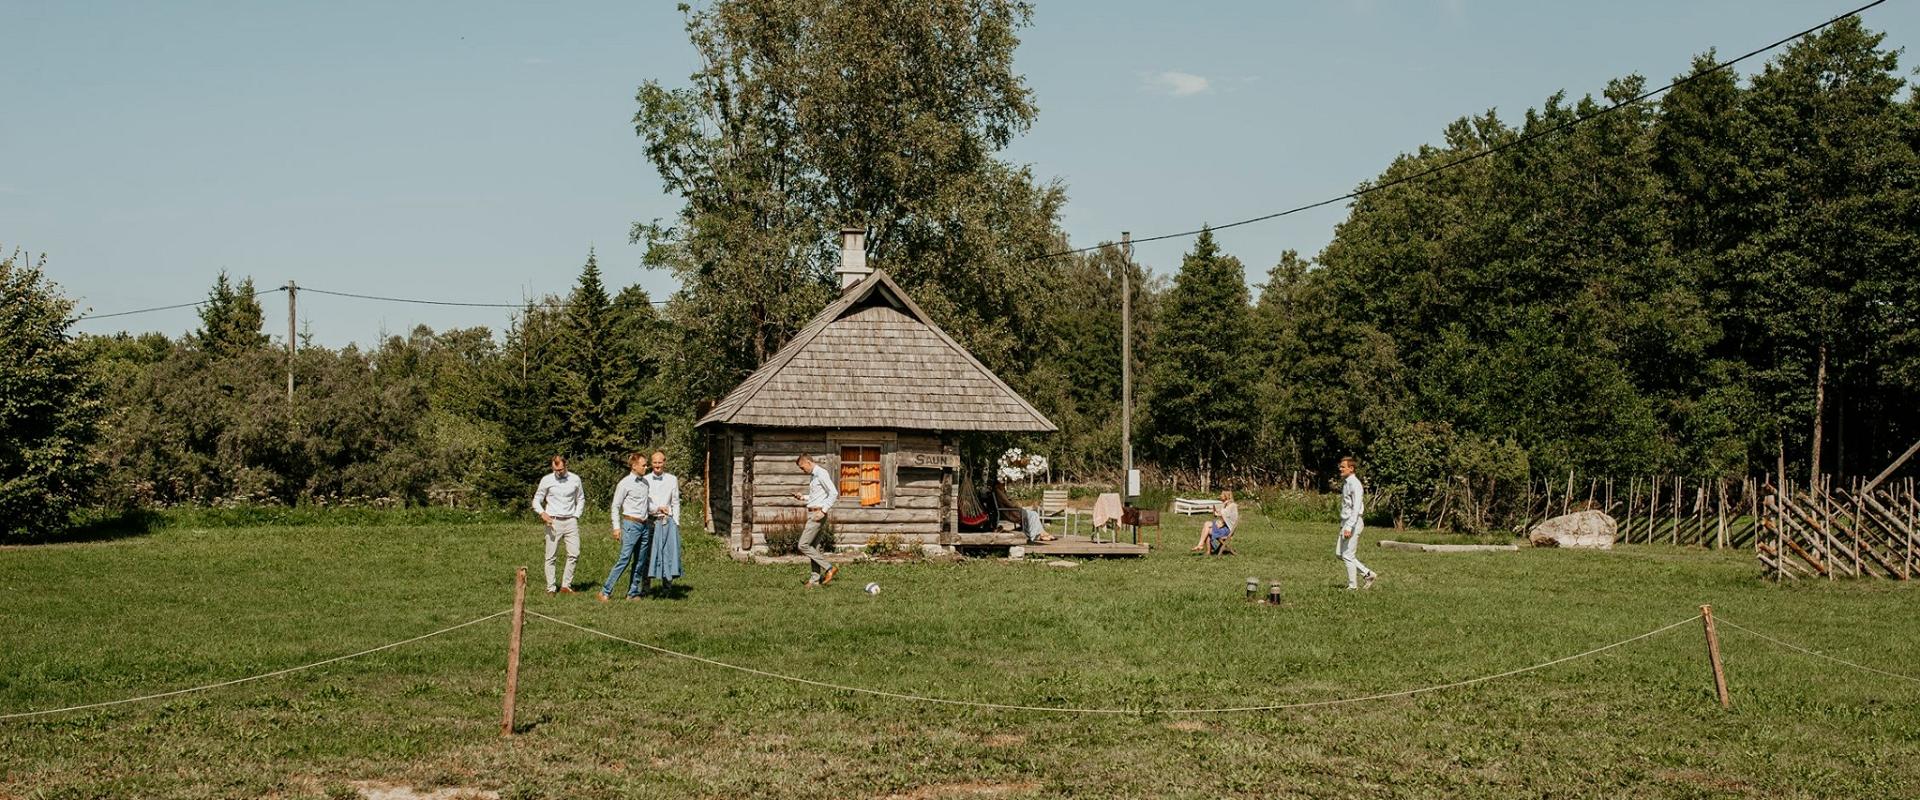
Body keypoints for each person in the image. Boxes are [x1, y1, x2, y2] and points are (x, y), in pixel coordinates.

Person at [602, 452, 654, 602]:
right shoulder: (624, 484)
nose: (646, 467)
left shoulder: (645, 483)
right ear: (634, 466)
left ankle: (632, 592)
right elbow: (615, 506)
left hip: (644, 525)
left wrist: (658, 509)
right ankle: (606, 590)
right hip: (630, 525)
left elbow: (646, 505)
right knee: (624, 558)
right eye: (643, 465)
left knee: (640, 560)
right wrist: (616, 528)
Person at [531, 455, 584, 596]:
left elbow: (580, 498)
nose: (558, 472)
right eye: (555, 469)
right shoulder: (547, 480)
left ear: (566, 466)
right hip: (553, 521)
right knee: (551, 556)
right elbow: (536, 500)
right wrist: (543, 513)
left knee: (574, 553)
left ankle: (566, 586)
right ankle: (551, 588)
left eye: (560, 469)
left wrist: (576, 515)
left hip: (570, 520)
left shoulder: (575, 479)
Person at [790, 454, 839, 587]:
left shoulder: (821, 473)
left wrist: (823, 511)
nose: (802, 470)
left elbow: (834, 493)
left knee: (803, 545)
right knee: (814, 548)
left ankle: (829, 568)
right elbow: (816, 496)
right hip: (814, 512)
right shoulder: (814, 476)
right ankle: (815, 580)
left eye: (802, 467)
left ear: (808, 462)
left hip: (817, 515)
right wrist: (803, 497)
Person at [1335, 457, 1379, 589]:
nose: (1340, 469)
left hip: (1353, 523)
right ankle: (1367, 573)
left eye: (1343, 467)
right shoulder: (1347, 483)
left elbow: (1356, 508)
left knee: (1348, 555)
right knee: (1339, 553)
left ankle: (1352, 586)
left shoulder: (1355, 484)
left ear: (1351, 468)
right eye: (1340, 466)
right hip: (1346, 522)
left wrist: (1349, 526)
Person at [642, 450, 683, 592]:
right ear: (651, 463)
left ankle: (667, 587)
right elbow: (644, 501)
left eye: (660, 462)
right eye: (655, 462)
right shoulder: (645, 479)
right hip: (650, 520)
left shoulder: (672, 479)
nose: (657, 465)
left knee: (667, 553)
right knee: (647, 554)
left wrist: (675, 521)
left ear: (664, 462)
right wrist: (655, 509)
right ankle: (645, 588)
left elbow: (676, 502)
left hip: (667, 521)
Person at [1189, 490, 1239, 554]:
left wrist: (1221, 508)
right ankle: (1204, 548)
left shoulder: (1232, 506)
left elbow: (1224, 516)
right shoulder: (1227, 505)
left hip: (1227, 530)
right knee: (1206, 526)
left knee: (1207, 527)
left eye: (1222, 495)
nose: (1220, 496)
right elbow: (1223, 516)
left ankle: (1202, 546)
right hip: (1224, 527)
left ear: (1227, 496)